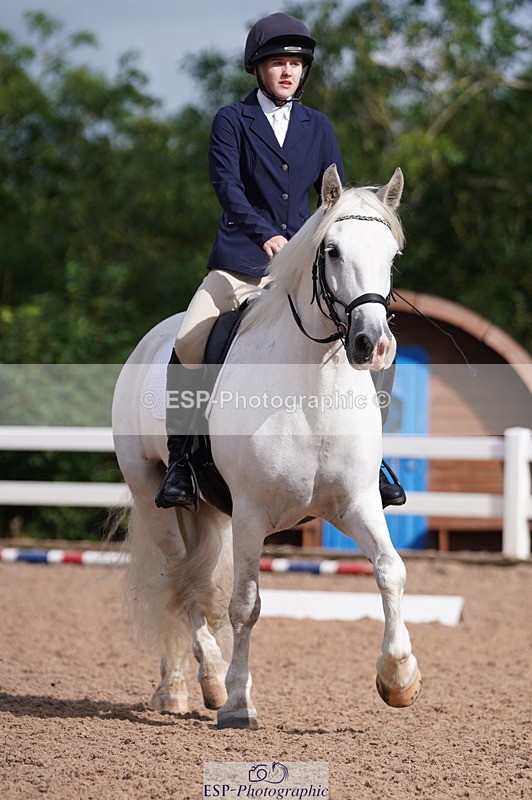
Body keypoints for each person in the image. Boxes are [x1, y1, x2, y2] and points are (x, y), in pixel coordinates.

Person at [155, 12, 406, 512]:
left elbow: (334, 200)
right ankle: (181, 460)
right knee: (189, 340)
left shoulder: (318, 126)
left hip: (302, 271)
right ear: (258, 69)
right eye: (277, 63)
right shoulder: (232, 120)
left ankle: (373, 461)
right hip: (240, 263)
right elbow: (227, 188)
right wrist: (265, 234)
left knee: (381, 343)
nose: (288, 71)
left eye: (295, 63)